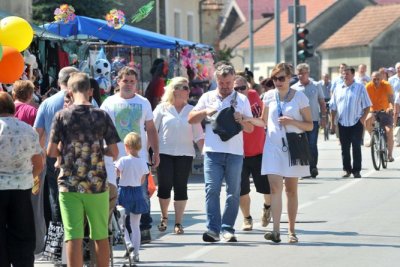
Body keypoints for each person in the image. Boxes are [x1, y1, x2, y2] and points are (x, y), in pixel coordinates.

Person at [47, 72, 120, 267]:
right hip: (96, 183)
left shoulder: (62, 116)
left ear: (69, 91)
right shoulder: (101, 115)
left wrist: (66, 148)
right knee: (100, 235)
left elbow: (51, 151)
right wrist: (98, 149)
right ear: (90, 91)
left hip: (69, 184)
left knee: (73, 236)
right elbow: (114, 151)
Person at [244, 62, 313, 244]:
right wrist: (246, 119)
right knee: (275, 188)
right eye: (275, 78)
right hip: (273, 147)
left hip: (293, 147)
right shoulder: (268, 96)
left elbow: (310, 125)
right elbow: (263, 121)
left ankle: (291, 230)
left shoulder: (300, 98)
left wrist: (292, 122)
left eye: (281, 78)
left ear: (290, 78)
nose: (278, 81)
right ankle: (276, 231)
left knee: (290, 190)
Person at [188, 62, 254, 242]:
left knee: (233, 192)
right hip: (212, 152)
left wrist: (241, 120)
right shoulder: (207, 97)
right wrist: (205, 111)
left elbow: (250, 129)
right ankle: (213, 229)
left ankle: (227, 228)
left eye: (228, 83)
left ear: (233, 80)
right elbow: (191, 119)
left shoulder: (242, 99)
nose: (225, 87)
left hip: (234, 153)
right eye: (222, 83)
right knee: (211, 190)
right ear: (216, 80)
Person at [100, 66, 160, 244]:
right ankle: (120, 231)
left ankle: (144, 227)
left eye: (132, 81)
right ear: (118, 82)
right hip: (114, 158)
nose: (128, 84)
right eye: (125, 81)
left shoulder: (144, 102)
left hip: (138, 158)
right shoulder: (108, 103)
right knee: (117, 195)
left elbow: (150, 129)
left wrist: (155, 152)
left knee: (140, 193)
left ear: (136, 84)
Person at [153, 77, 204, 235]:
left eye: (188, 88)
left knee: (181, 187)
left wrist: (205, 153)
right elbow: (152, 131)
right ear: (174, 90)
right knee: (164, 185)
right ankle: (164, 217)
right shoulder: (162, 108)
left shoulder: (191, 110)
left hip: (185, 154)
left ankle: (178, 222)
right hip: (164, 152)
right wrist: (146, 151)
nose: (188, 91)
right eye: (185, 87)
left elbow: (198, 135)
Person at [0, 92, 44, 267]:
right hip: (21, 187)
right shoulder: (27, 130)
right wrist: (30, 177)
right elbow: (38, 163)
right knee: (23, 231)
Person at [34, 66, 79, 227]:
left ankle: (59, 237)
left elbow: (37, 133)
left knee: (57, 196)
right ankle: (79, 235)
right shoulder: (86, 99)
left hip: (53, 156)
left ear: (59, 81)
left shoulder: (47, 103)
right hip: (81, 155)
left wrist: (39, 156)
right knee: (79, 196)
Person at [233, 76, 271, 231]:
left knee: (266, 188)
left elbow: (263, 121)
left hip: (259, 151)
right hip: (239, 153)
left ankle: (267, 207)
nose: (240, 91)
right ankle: (247, 218)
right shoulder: (230, 101)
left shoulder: (255, 96)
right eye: (236, 89)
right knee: (242, 189)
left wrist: (247, 119)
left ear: (248, 88)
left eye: (243, 88)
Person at [330, 67, 371, 178]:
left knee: (356, 147)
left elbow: (367, 105)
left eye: (347, 74)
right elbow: (333, 107)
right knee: (345, 148)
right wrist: (332, 123)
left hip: (356, 122)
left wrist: (363, 118)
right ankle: (347, 169)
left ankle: (356, 170)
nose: (345, 76)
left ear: (353, 75)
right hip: (342, 123)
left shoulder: (360, 87)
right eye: (343, 74)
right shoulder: (338, 88)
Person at [115, 132, 149, 263]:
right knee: (135, 225)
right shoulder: (143, 162)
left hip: (124, 192)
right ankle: (136, 253)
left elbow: (117, 174)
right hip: (137, 192)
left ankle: (128, 243)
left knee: (121, 223)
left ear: (127, 146)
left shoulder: (122, 160)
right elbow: (142, 180)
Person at [292, 63, 327, 178]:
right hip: (299, 122)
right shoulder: (294, 88)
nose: (301, 76)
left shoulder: (316, 85)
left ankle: (313, 167)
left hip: (313, 121)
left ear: (308, 73)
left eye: (303, 73)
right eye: (299, 74)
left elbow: (322, 103)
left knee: (312, 145)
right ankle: (304, 169)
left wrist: (323, 117)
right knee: (302, 145)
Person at [364, 71, 394, 162]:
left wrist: (390, 107)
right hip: (373, 110)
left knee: (389, 131)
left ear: (381, 79)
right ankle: (373, 137)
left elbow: (390, 99)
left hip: (385, 110)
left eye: (378, 79)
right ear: (371, 79)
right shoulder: (368, 86)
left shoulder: (386, 85)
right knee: (366, 120)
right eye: (374, 79)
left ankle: (389, 155)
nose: (376, 81)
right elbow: (364, 100)